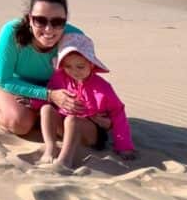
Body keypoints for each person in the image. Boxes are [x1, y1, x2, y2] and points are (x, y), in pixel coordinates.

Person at [0, 0, 92, 136]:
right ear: (30, 19)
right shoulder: (11, 32)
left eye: (57, 22)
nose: (48, 29)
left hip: (52, 83)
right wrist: (49, 95)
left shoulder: (75, 38)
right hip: (9, 77)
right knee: (19, 123)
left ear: (65, 21)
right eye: (40, 21)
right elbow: (5, 79)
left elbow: (85, 75)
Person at [38, 33, 136, 170]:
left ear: (91, 64)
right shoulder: (59, 78)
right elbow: (50, 97)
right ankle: (50, 148)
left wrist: (124, 146)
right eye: (68, 66)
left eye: (80, 67)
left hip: (90, 132)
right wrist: (33, 103)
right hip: (64, 127)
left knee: (72, 120)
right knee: (46, 109)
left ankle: (65, 160)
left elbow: (118, 113)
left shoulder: (102, 88)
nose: (74, 72)